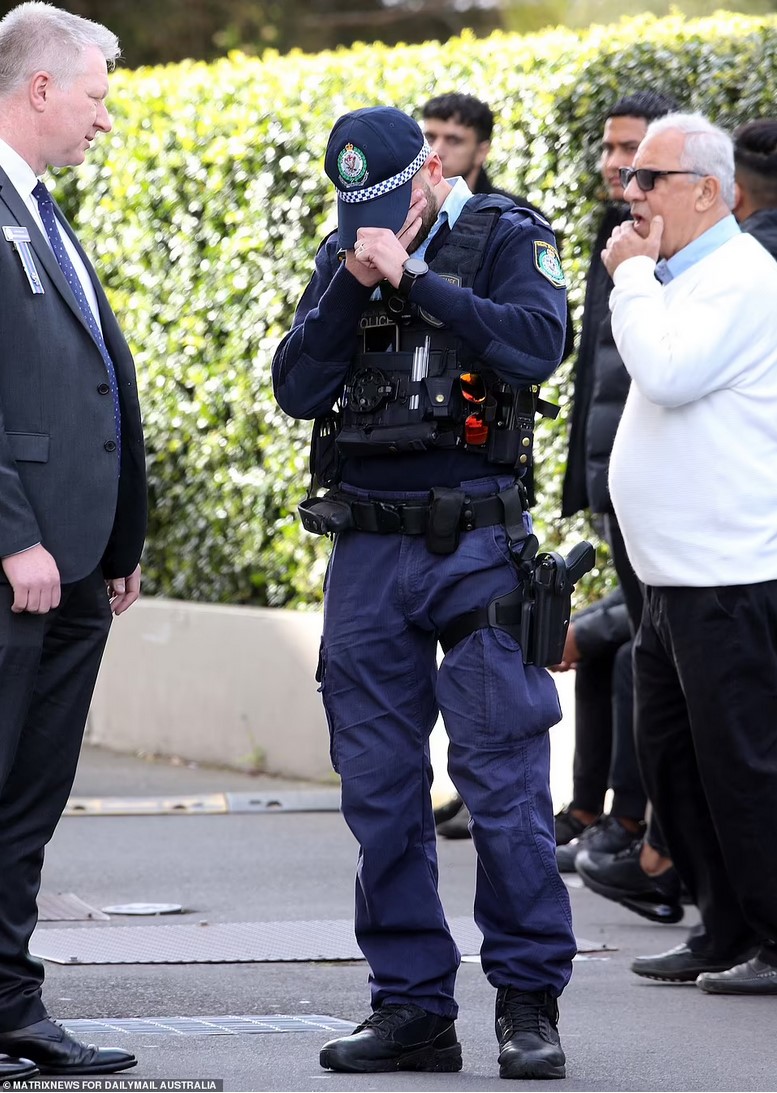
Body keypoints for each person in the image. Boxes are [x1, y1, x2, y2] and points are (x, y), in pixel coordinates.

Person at [273, 104, 575, 1078]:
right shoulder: (342, 256)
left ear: (434, 172)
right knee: (380, 790)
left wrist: (420, 282)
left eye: (391, 201)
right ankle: (411, 1008)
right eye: (358, 208)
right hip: (367, 548)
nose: (374, 222)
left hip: (477, 542)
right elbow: (296, 385)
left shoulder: (506, 237)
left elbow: (535, 345)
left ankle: (529, 1004)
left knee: (505, 784)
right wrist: (351, 288)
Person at [573, 112, 777, 925]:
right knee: (674, 760)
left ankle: (767, 935)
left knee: (739, 766)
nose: (629, 191)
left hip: (724, 573)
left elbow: (663, 374)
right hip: (668, 573)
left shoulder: (738, 275)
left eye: (648, 178)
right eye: (629, 175)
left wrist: (626, 278)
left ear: (705, 189)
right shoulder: (685, 272)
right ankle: (720, 926)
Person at [0, 3, 146, 1076]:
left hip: (76, 569)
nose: (105, 119)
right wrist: (13, 536)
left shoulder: (43, 214)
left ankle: (10, 1007)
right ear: (41, 87)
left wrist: (119, 536)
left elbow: (94, 382)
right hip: (19, 568)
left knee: (28, 802)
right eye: (95, 97)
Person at [422, 91, 574, 841]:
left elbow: (541, 344)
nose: (440, 148)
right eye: (429, 135)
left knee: (497, 700)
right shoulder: (376, 232)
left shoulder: (509, 230)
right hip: (391, 517)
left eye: (454, 137)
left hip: (482, 499)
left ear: (479, 150)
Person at [556, 90, 679, 883]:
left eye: (631, 154)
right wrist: (583, 482)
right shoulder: (614, 241)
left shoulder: (674, 251)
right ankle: (607, 820)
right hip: (612, 491)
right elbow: (593, 380)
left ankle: (645, 836)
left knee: (648, 656)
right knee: (637, 650)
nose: (614, 167)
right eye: (608, 150)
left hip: (661, 502)